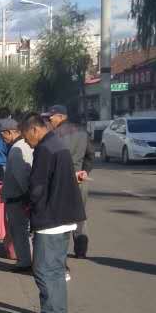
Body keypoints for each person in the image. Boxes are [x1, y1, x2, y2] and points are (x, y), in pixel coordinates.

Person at [21, 112, 84, 313]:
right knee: (57, 268)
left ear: (34, 130)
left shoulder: (44, 149)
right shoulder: (58, 144)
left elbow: (37, 187)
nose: (26, 142)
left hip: (50, 217)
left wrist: (28, 205)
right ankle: (59, 311)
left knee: (42, 268)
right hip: (65, 215)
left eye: (25, 137)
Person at [48, 104, 92, 258]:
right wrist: (84, 172)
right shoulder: (83, 132)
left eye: (51, 118)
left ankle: (60, 251)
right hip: (80, 179)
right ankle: (81, 250)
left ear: (61, 117)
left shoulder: (54, 135)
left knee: (62, 216)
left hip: (61, 180)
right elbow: (90, 156)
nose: (49, 121)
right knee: (80, 215)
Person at [0, 117, 34, 270]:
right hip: (22, 197)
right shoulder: (23, 146)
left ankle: (24, 262)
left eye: (2, 135)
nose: (2, 139)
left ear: (10, 132)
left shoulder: (16, 149)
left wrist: (27, 197)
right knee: (24, 231)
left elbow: (21, 177)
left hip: (17, 198)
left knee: (19, 231)